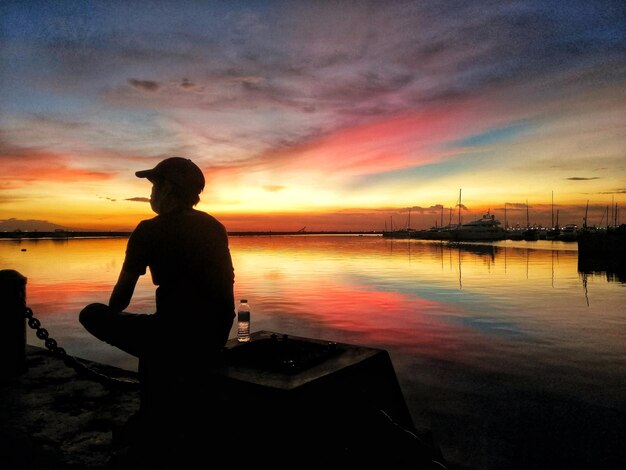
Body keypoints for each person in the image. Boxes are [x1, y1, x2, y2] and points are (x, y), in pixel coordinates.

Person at [79, 157, 235, 463]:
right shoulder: (214, 226)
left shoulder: (148, 230)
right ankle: (158, 412)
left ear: (167, 188)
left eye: (153, 185)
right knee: (157, 335)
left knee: (92, 313)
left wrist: (116, 317)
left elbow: (120, 299)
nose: (150, 193)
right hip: (215, 332)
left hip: (173, 336)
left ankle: (152, 422)